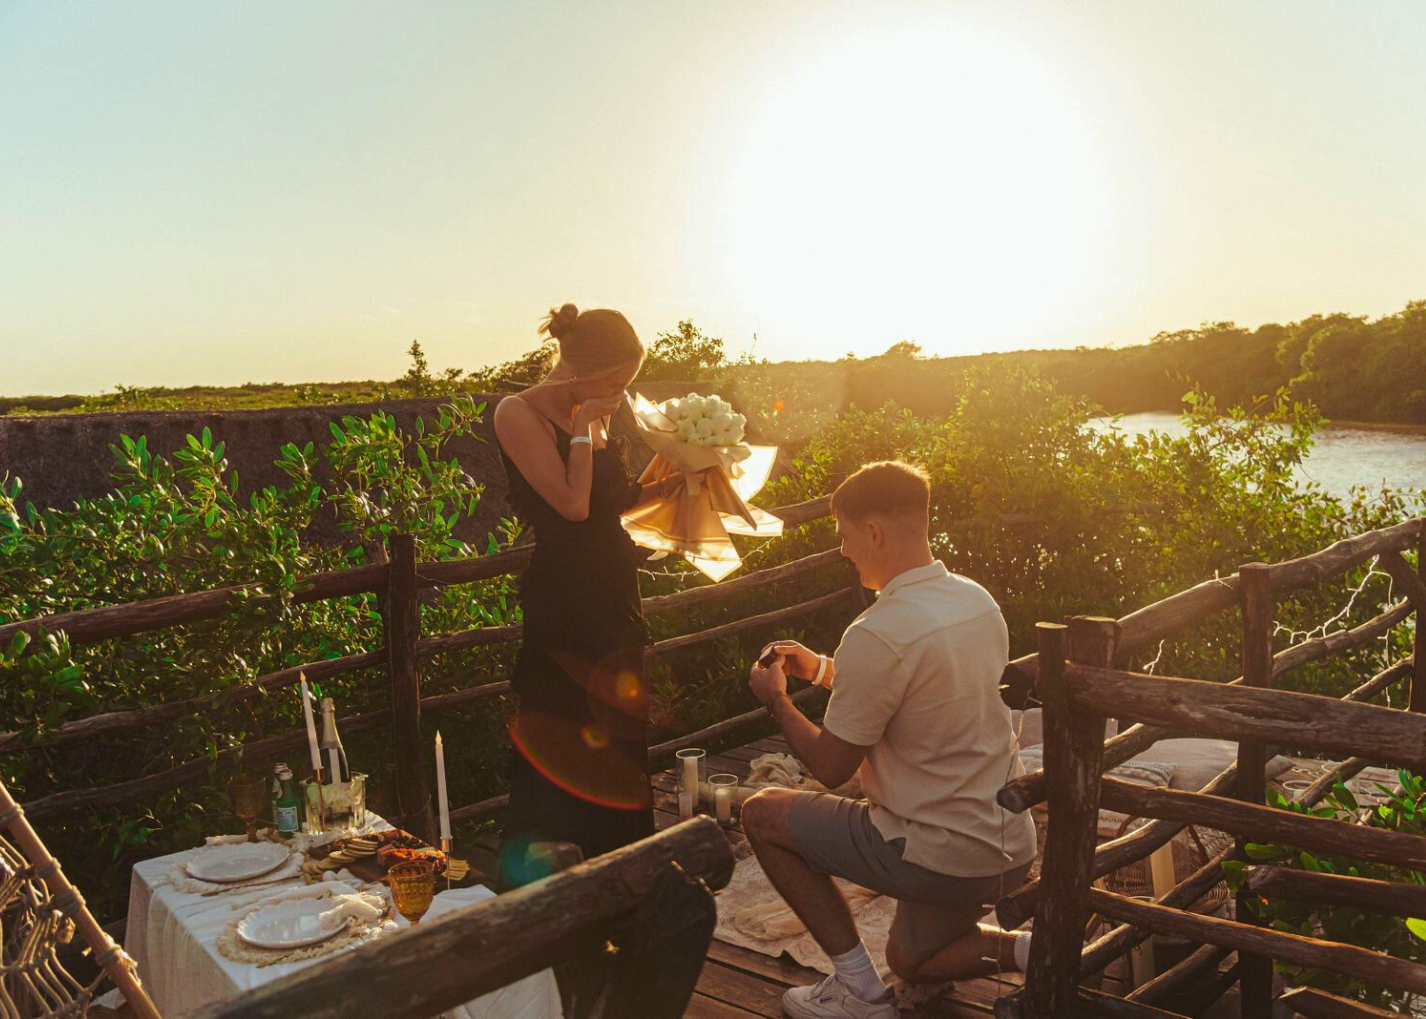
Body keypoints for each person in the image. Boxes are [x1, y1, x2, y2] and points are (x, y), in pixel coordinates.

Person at [742, 460, 1037, 1019]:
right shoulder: (976, 600)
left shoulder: (878, 630)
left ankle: (856, 989)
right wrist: (824, 670)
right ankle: (1032, 949)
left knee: (762, 813)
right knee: (911, 960)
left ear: (873, 532)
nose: (845, 552)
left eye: (846, 537)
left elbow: (830, 766)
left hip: (936, 852)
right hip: (1006, 847)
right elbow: (922, 692)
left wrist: (777, 699)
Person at [493, 302, 673, 884]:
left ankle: (620, 873)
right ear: (581, 370)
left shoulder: (591, 411)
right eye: (617, 382)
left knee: (619, 733)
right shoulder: (517, 413)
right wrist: (582, 425)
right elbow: (571, 507)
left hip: (614, 597)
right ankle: (551, 883)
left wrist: (679, 466)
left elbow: (610, 507)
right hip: (565, 605)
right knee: (562, 730)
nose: (622, 396)